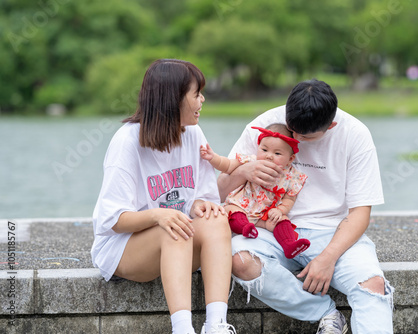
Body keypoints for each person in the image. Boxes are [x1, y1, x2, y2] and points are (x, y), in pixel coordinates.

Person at [218, 79, 394, 334]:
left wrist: (328, 258)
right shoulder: (264, 125)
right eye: (292, 130)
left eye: (306, 137)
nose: (296, 140)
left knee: (373, 285)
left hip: (331, 232)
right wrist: (244, 171)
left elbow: (360, 213)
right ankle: (326, 314)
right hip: (269, 230)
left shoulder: (355, 134)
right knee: (240, 259)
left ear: (331, 125)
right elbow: (218, 193)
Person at [91, 59, 237, 334]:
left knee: (216, 219)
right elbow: (112, 220)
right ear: (174, 98)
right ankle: (182, 329)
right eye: (196, 94)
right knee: (173, 227)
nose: (202, 100)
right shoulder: (127, 142)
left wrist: (201, 205)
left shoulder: (193, 133)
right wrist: (159, 214)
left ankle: (216, 325)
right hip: (124, 248)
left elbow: (202, 196)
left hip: (176, 238)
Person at [200, 123, 310, 259]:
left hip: (266, 215)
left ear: (290, 159)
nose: (269, 156)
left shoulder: (291, 176)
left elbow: (290, 198)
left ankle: (289, 245)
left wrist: (280, 210)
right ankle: (245, 228)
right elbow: (227, 165)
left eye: (277, 153)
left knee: (282, 220)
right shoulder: (250, 161)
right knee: (232, 210)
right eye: (264, 150)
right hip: (242, 206)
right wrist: (213, 158)